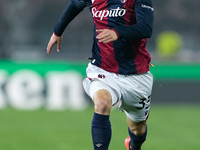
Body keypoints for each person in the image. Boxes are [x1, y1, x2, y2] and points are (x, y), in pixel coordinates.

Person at [47, 0, 154, 149]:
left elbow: (146, 28)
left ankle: (134, 145)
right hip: (103, 70)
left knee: (138, 130)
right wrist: (57, 32)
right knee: (102, 103)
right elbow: (75, 5)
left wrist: (117, 33)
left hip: (136, 76)